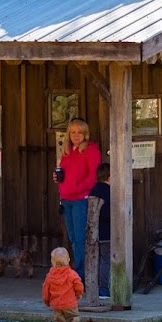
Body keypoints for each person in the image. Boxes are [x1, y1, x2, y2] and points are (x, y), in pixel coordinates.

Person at [53, 118, 101, 280]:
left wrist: (75, 188)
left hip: (81, 199)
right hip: (67, 199)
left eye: (80, 132)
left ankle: (82, 274)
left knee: (81, 239)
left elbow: (93, 177)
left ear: (85, 134)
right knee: (73, 238)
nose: (76, 135)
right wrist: (58, 178)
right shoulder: (67, 151)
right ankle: (79, 271)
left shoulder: (91, 150)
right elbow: (65, 174)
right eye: (73, 132)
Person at [42, 247, 85, 322]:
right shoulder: (71, 274)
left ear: (52, 261)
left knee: (59, 321)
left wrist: (46, 300)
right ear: (68, 260)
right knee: (74, 317)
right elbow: (78, 285)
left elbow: (45, 290)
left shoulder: (50, 276)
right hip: (70, 303)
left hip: (56, 304)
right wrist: (79, 293)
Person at [89, 163, 111, 299]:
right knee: (106, 259)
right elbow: (107, 213)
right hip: (106, 231)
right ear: (109, 176)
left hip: (93, 233)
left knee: (95, 259)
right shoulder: (107, 191)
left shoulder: (94, 189)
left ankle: (93, 287)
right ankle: (103, 288)